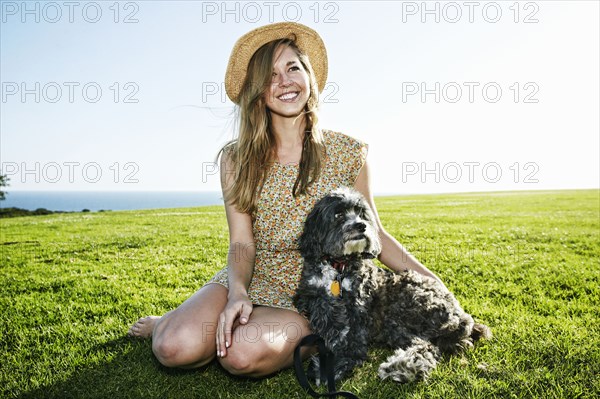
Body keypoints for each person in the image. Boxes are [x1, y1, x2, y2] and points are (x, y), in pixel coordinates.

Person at [128, 21, 446, 378]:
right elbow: (241, 243)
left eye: (292, 68)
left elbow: (377, 236)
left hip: (318, 295)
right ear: (257, 93)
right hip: (253, 276)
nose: (284, 82)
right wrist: (237, 293)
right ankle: (172, 322)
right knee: (173, 346)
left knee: (239, 356)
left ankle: (294, 334)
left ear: (308, 77)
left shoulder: (349, 153)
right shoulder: (236, 159)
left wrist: (438, 286)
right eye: (270, 76)